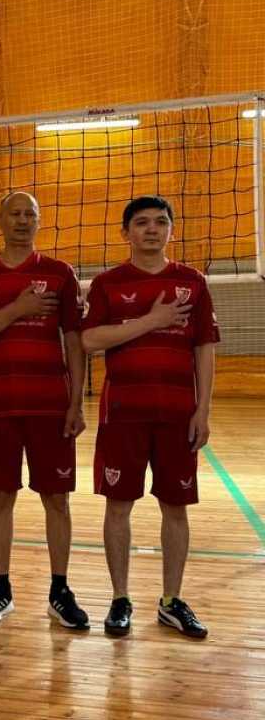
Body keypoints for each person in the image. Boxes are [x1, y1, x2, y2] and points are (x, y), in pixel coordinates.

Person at [81, 195, 218, 639]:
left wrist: (203, 410)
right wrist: (152, 320)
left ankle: (171, 601)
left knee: (176, 507)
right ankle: (120, 598)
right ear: (126, 233)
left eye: (160, 222)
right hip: (123, 414)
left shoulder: (192, 282)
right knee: (119, 505)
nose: (152, 229)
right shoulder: (108, 283)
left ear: (171, 230)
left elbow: (204, 348)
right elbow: (89, 341)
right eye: (141, 223)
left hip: (178, 415)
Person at [0, 192, 89, 628]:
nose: (22, 220)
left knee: (57, 499)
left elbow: (74, 341)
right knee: (1, 497)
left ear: (39, 220)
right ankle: (1, 588)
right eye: (14, 213)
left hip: (51, 406)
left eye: (30, 213)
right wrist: (18, 309)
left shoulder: (59, 273)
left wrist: (76, 402)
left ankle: (60, 590)